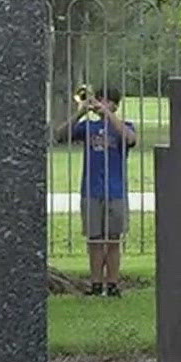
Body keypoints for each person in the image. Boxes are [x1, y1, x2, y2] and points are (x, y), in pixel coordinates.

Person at [64, 86, 138, 296]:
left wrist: (107, 115)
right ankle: (96, 284)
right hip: (91, 191)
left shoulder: (124, 126)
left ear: (114, 104)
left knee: (113, 240)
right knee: (94, 241)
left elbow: (130, 139)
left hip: (116, 192)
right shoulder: (88, 127)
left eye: (104, 101)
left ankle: (112, 284)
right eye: (98, 100)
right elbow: (61, 134)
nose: (99, 104)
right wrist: (80, 111)